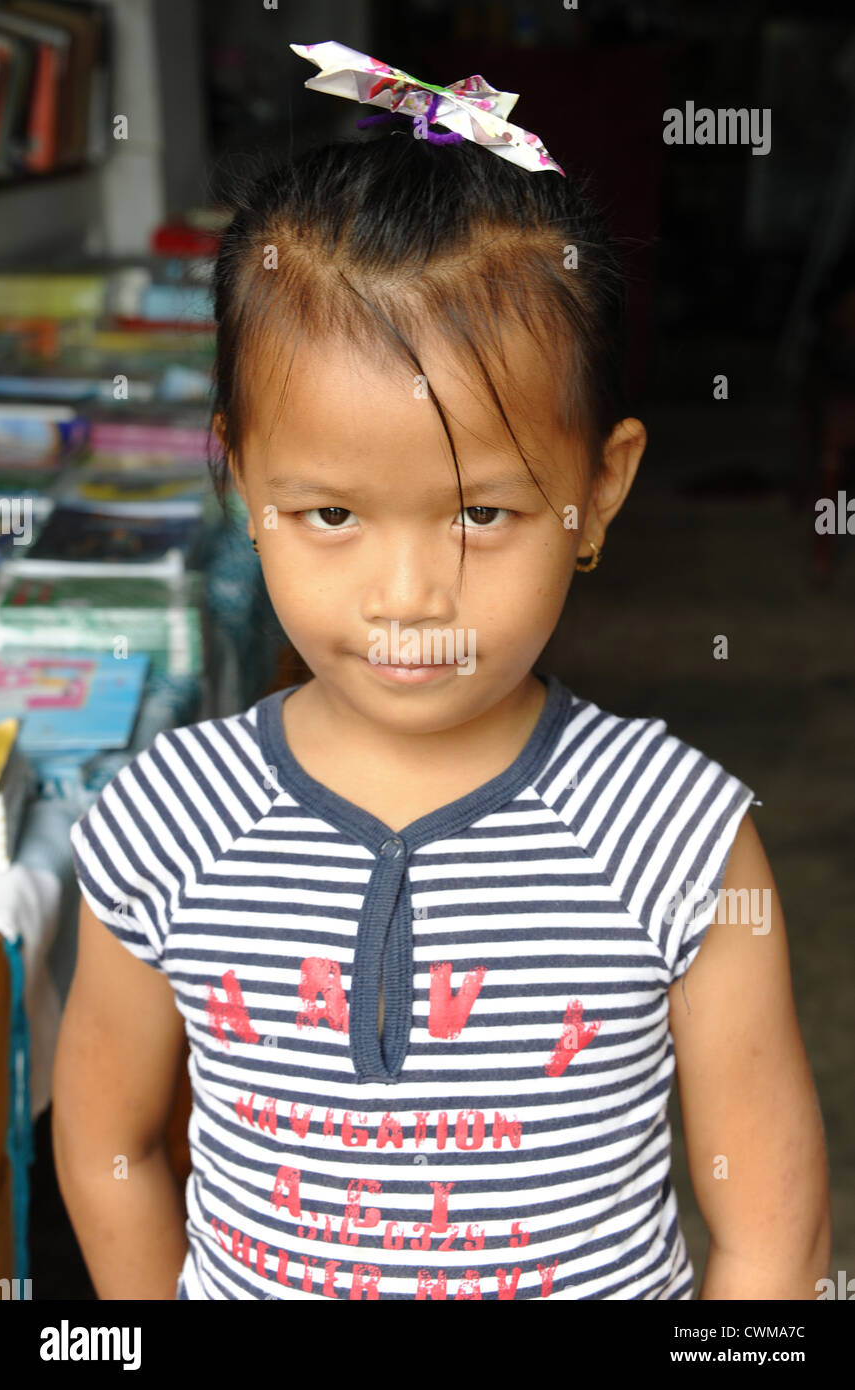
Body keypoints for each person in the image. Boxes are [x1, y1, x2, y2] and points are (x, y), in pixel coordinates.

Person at [52, 115, 830, 1301]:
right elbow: (113, 1149)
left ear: (597, 491)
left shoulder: (678, 837)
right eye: (329, 515)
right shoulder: (164, 819)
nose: (409, 595)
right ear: (239, 479)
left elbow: (773, 1232)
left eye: (480, 515)